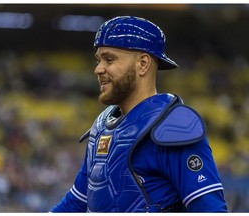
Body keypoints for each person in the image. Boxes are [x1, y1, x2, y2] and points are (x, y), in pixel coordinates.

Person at [50, 16, 228, 212]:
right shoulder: (102, 127)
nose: (98, 69)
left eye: (109, 59)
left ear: (143, 64)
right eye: (98, 60)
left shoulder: (174, 128)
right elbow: (76, 203)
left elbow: (211, 210)